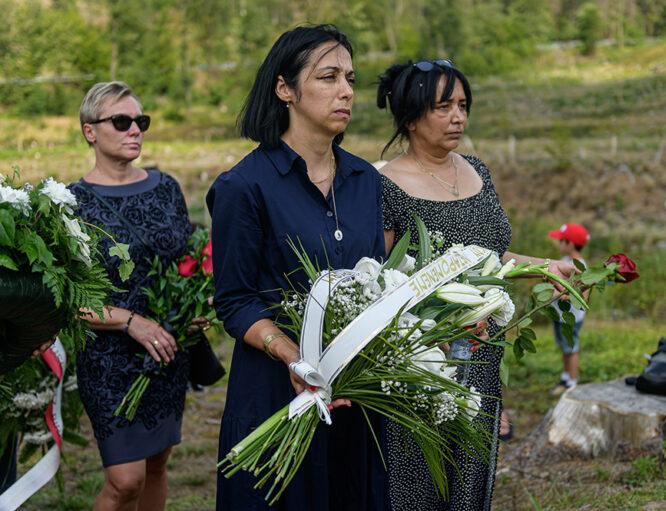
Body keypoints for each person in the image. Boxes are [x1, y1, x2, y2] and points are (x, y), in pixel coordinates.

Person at [376, 59, 575, 511]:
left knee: (470, 479)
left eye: (463, 105)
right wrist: (429, 335)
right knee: (417, 482)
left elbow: (490, 258)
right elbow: (382, 280)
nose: (458, 117)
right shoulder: (383, 185)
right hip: (422, 365)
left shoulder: (477, 170)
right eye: (443, 106)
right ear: (410, 116)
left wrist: (546, 267)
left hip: (483, 356)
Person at [207, 25, 387, 511]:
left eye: (350, 77)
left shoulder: (365, 180)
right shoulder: (244, 187)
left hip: (357, 401)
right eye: (328, 77)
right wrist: (295, 358)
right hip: (278, 395)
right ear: (285, 89)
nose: (346, 90)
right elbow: (236, 301)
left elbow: (380, 283)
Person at [69, 81, 198, 510]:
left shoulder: (166, 188)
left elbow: (190, 260)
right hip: (107, 357)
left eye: (140, 121)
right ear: (90, 131)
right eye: (121, 121)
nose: (134, 130)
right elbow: (67, 297)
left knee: (158, 464)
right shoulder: (70, 204)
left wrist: (196, 306)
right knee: (125, 480)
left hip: (164, 351)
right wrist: (129, 321)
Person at [547, 223, 590, 396]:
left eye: (561, 240)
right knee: (564, 346)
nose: (559, 244)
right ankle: (565, 378)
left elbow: (581, 294)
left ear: (570, 244)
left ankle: (572, 383)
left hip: (570, 317)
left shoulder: (579, 266)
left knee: (571, 348)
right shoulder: (564, 262)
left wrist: (559, 294)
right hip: (559, 315)